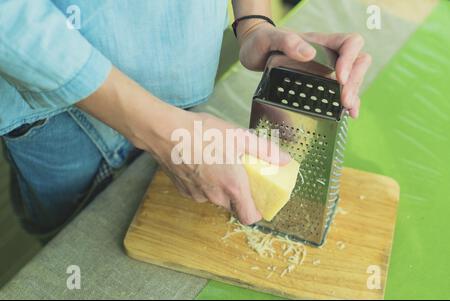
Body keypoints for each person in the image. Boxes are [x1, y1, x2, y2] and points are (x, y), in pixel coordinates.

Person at [0, 0, 371, 237]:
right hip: (66, 107)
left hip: (184, 80)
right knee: (79, 240)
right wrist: (166, 136)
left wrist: (254, 21)